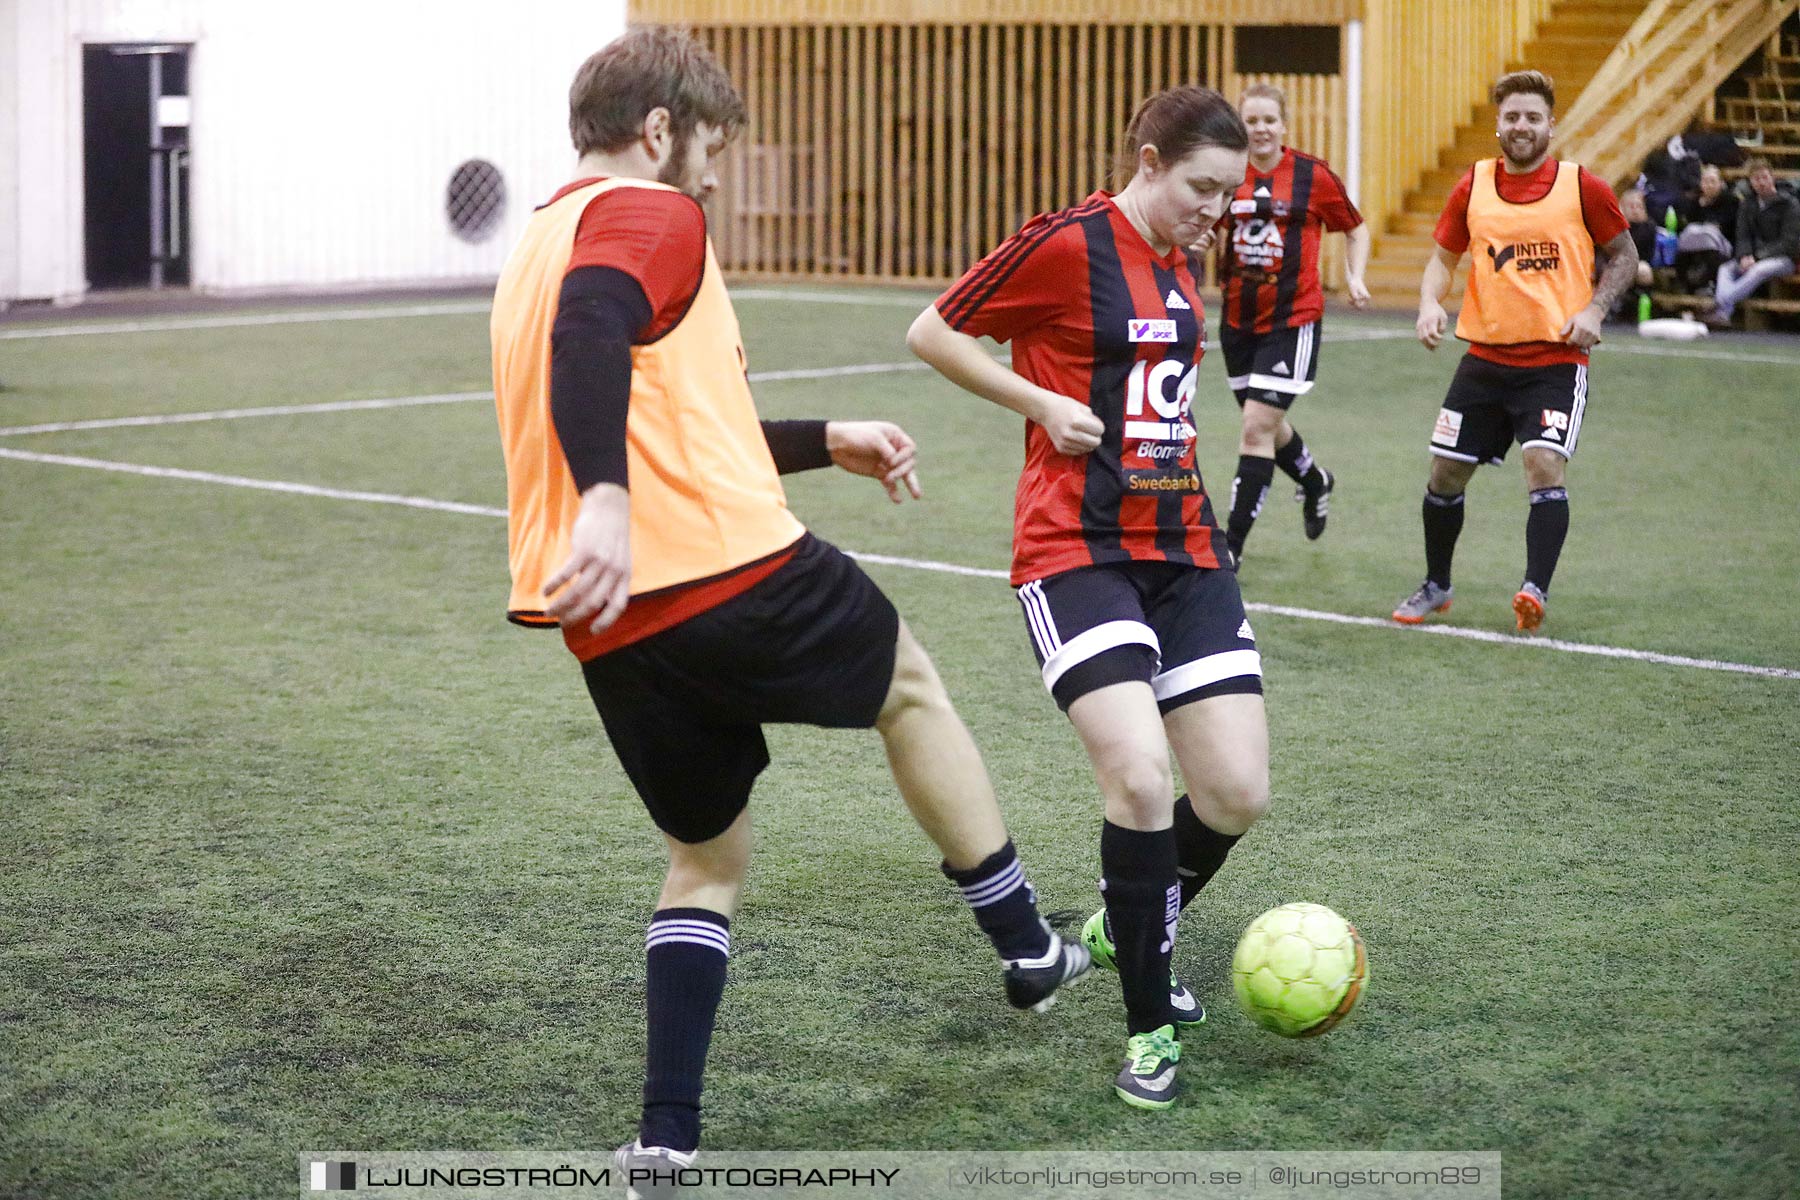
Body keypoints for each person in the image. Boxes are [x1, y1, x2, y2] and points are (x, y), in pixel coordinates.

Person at [490, 27, 1090, 1181]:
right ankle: (1027, 949)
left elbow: (666, 412)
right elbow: (594, 335)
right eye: (709, 148)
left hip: (610, 617)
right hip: (723, 569)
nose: (714, 176)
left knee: (705, 862)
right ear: (660, 131)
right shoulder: (651, 213)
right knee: (910, 686)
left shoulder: (536, 243)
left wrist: (826, 441)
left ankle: (664, 1138)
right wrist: (607, 502)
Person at [908, 86, 1269, 1111]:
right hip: (1075, 550)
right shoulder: (1070, 242)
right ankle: (1150, 1030)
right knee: (1143, 781)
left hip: (1185, 550)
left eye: (1229, 195)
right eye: (1202, 188)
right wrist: (1039, 402)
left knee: (1235, 793)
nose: (1216, 211)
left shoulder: (1180, 255)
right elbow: (932, 332)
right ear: (1148, 161)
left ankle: (1123, 922)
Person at [1396, 70, 1637, 633]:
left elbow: (1623, 255)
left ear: (1551, 124)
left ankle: (1534, 590)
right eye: (1512, 117)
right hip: (1484, 359)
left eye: (1533, 117)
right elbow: (1441, 259)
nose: (1522, 126)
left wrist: (1595, 309)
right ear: (1498, 125)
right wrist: (1430, 303)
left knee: (1543, 461)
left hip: (1554, 361)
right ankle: (1437, 585)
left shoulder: (1584, 188)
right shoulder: (1473, 185)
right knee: (1444, 473)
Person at [1205, 82, 1370, 562]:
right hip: (1237, 320)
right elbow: (1207, 228)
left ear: (1284, 125)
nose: (1260, 129)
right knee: (1264, 425)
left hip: (1292, 320)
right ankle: (1315, 479)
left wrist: (1355, 277)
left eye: (1268, 120)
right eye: (1251, 121)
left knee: (1256, 425)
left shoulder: (1312, 176)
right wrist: (1201, 243)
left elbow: (1354, 228)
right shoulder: (1227, 173)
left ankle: (1229, 549)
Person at [1705, 158, 1800, 327]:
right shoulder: (1747, 205)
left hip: (1785, 258)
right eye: (1756, 179)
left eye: (1764, 177)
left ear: (1772, 177)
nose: (1761, 182)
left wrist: (1756, 257)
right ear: (1751, 182)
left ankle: (1718, 305)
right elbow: (1742, 236)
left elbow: (1789, 243)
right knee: (1725, 269)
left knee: (1758, 271)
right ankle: (1724, 313)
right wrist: (1744, 256)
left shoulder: (1789, 204)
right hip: (1753, 256)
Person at [1673, 164, 1739, 294]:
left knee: (1708, 240)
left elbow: (1726, 225)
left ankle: (1709, 285)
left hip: (1723, 246)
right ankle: (1683, 285)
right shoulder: (1695, 202)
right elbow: (1688, 225)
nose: (1709, 185)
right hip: (1696, 245)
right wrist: (1701, 207)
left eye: (1713, 181)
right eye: (1705, 181)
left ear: (1721, 183)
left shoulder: (1731, 201)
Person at [1613, 188, 1658, 319]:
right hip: (1611, 262)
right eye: (1631, 206)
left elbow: (1642, 252)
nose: (1635, 210)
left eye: (1638, 206)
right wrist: (1622, 222)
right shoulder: (1615, 224)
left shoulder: (1648, 226)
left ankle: (1641, 308)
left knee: (1644, 271)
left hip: (1636, 263)